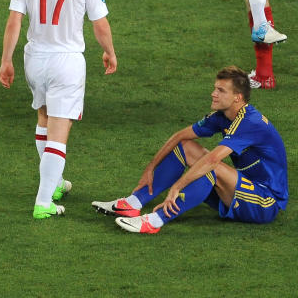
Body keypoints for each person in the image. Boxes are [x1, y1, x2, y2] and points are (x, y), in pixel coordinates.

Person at [0, 0, 118, 219]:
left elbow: (14, 21)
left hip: (34, 59)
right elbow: (100, 25)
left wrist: (6, 61)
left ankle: (54, 184)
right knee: (59, 131)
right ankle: (43, 202)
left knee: (44, 116)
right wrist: (109, 52)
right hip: (66, 62)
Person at [92, 66, 287, 234]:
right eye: (214, 88)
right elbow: (180, 136)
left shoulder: (250, 121)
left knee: (212, 167)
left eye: (221, 90)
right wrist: (150, 168)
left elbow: (211, 161)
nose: (213, 93)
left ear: (237, 98)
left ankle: (154, 221)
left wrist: (176, 187)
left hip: (265, 202)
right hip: (240, 188)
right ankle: (134, 203)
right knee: (186, 147)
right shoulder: (222, 116)